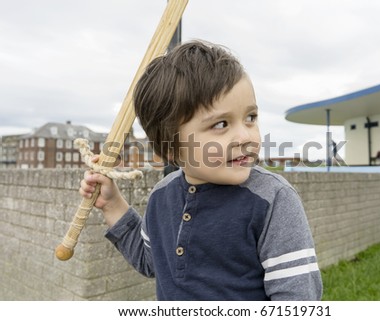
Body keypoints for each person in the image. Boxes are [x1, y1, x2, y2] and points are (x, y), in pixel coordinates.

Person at [79, 40, 322, 301]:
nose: (245, 136)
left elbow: (298, 299)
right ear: (171, 149)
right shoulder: (162, 195)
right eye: (221, 124)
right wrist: (112, 205)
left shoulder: (273, 200)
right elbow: (152, 262)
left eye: (250, 117)